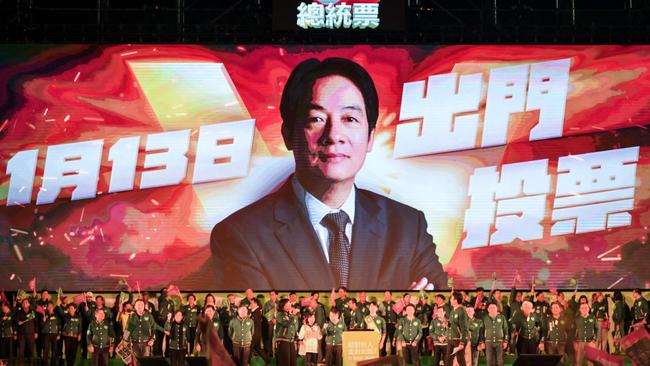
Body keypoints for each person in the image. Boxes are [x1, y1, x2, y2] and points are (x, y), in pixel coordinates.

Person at [210, 57, 448, 290]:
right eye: (317, 119)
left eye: (350, 118)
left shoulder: (407, 227)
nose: (334, 135)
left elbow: (439, 311)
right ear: (288, 134)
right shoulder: (240, 236)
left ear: (370, 137)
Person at [126, 299, 157, 365]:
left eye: (142, 304)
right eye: (138, 305)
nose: (140, 306)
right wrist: (126, 341)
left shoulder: (149, 316)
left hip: (146, 344)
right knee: (135, 363)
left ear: (144, 306)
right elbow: (128, 330)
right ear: (135, 306)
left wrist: (152, 339)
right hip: (134, 344)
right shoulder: (132, 317)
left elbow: (153, 329)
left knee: (146, 363)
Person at [275, 299, 299, 366]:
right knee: (285, 362)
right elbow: (285, 323)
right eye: (287, 305)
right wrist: (292, 315)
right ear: (282, 306)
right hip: (283, 340)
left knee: (292, 362)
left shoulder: (290, 315)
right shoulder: (280, 315)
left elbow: (295, 327)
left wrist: (294, 316)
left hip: (291, 340)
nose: (289, 306)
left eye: (290, 304)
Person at [447, 292, 468, 366]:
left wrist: (462, 342)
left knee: (460, 359)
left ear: (455, 300)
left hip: (459, 339)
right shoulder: (453, 310)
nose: (450, 300)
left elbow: (464, 327)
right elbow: (451, 324)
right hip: (451, 338)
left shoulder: (461, 311)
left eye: (451, 298)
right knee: (448, 359)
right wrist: (446, 323)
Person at [248, 298, 270, 364]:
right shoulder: (255, 312)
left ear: (255, 303)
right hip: (257, 334)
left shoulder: (256, 312)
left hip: (255, 333)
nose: (250, 304)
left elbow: (254, 323)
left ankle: (247, 363)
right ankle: (267, 360)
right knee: (258, 348)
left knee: (249, 348)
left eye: (251, 303)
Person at [15, 298, 37, 364]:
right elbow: (15, 322)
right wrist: (18, 322)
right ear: (22, 305)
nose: (25, 304)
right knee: (21, 351)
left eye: (26, 302)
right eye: (23, 303)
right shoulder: (19, 312)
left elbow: (36, 323)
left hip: (30, 334)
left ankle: (31, 363)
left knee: (30, 350)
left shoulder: (32, 312)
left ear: (29, 304)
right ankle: (21, 363)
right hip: (21, 334)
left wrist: (36, 332)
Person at [41, 302, 62, 366]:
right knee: (45, 350)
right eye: (48, 306)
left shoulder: (56, 315)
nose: (49, 308)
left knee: (54, 350)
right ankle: (45, 364)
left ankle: (53, 364)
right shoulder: (44, 315)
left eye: (51, 306)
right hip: (46, 334)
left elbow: (59, 326)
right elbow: (41, 326)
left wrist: (59, 334)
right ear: (47, 307)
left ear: (53, 307)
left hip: (54, 334)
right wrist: (43, 321)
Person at [155, 288, 174, 357]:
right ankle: (159, 354)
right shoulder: (161, 299)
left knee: (168, 339)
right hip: (161, 321)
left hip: (169, 322)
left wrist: (171, 319)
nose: (167, 292)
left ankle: (167, 354)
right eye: (165, 291)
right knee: (160, 339)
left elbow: (173, 311)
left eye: (167, 291)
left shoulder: (171, 302)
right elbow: (162, 296)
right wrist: (166, 291)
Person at [380, 290, 397, 356]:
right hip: (385, 324)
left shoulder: (394, 303)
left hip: (393, 325)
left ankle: (393, 354)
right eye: (385, 295)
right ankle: (383, 354)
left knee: (393, 340)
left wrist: (397, 322)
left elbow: (398, 314)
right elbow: (378, 314)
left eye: (388, 295)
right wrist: (382, 314)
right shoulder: (382, 304)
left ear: (391, 295)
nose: (386, 296)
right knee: (383, 340)